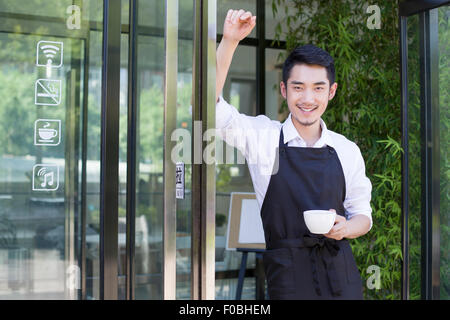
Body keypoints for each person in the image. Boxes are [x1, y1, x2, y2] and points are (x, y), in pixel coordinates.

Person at [216, 9, 373, 300]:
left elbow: (363, 215)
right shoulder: (264, 138)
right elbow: (208, 108)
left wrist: (345, 227)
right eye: (298, 88)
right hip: (288, 280)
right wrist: (229, 41)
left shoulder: (346, 149)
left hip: (341, 277)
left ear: (332, 91)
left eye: (318, 88)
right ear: (284, 89)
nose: (308, 99)